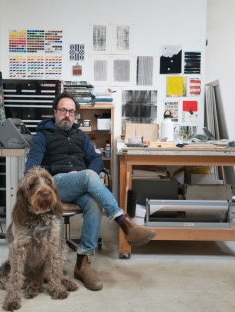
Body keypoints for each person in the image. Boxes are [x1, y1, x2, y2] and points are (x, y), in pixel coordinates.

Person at [24, 92, 157, 291]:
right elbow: (32, 168)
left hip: (80, 183)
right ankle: (125, 223)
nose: (67, 115)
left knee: (93, 201)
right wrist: (58, 177)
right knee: (87, 176)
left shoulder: (80, 136)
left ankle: (82, 263)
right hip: (55, 186)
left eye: (71, 111)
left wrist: (86, 175)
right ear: (54, 112)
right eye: (63, 110)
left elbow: (95, 160)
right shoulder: (42, 136)